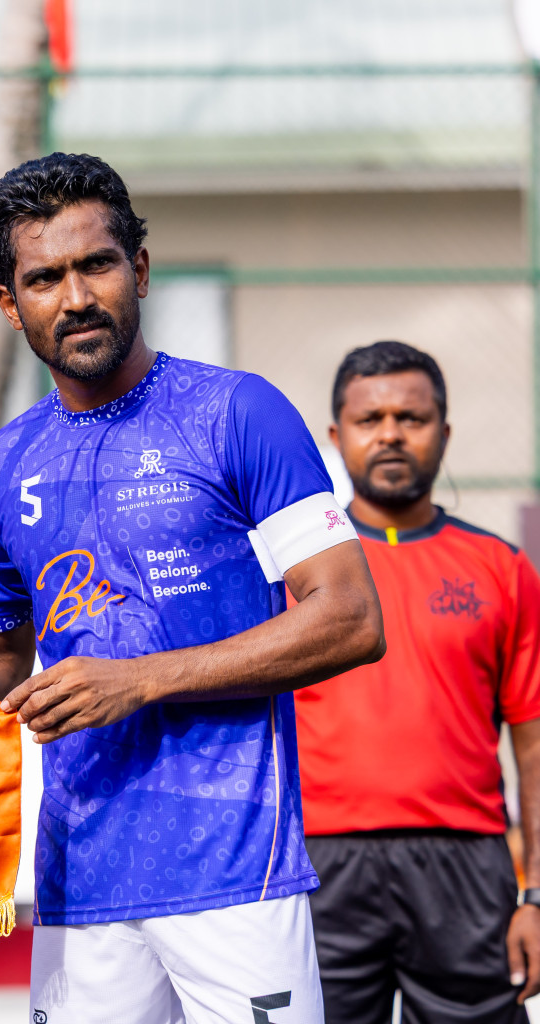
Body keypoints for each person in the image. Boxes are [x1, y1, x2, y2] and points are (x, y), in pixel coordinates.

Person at [0, 153, 387, 1024]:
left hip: (234, 872)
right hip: (80, 883)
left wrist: (144, 677)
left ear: (140, 271)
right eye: (44, 277)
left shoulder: (239, 412)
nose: (74, 296)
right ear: (10, 304)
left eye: (96, 265)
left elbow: (349, 617)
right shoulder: (0, 467)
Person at [295, 341, 540, 1024]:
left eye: (413, 416)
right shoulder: (292, 574)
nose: (393, 433)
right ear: (337, 438)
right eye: (371, 420)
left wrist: (538, 896)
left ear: (445, 432)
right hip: (319, 866)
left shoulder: (502, 568)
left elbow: (533, 747)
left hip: (466, 865)